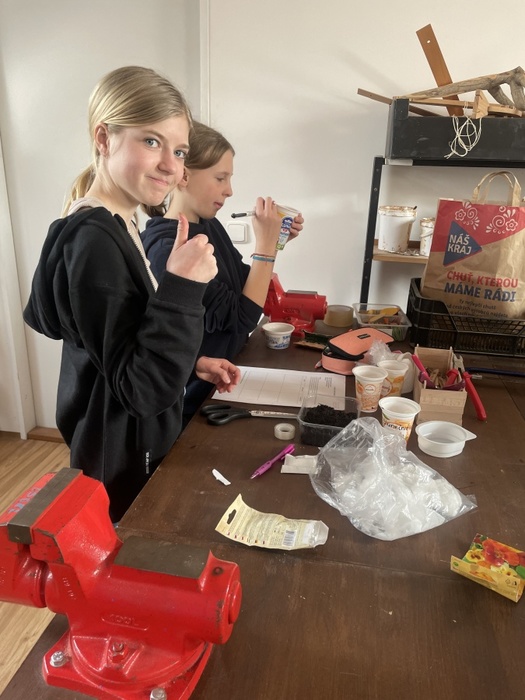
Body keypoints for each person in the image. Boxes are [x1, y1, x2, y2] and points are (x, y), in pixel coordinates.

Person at [23, 67, 241, 521]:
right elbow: (140, 391)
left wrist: (190, 362)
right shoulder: (94, 241)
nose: (171, 165)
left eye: (179, 151)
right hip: (121, 459)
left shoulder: (120, 222)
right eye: (152, 141)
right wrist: (183, 288)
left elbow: (122, 347)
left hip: (129, 445)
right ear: (104, 138)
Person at [141, 121, 304, 425]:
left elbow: (244, 286)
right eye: (220, 178)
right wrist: (265, 248)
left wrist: (273, 243)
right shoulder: (167, 247)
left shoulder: (208, 225)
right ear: (184, 175)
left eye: (229, 179)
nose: (229, 190)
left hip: (225, 382)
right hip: (193, 402)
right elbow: (242, 316)